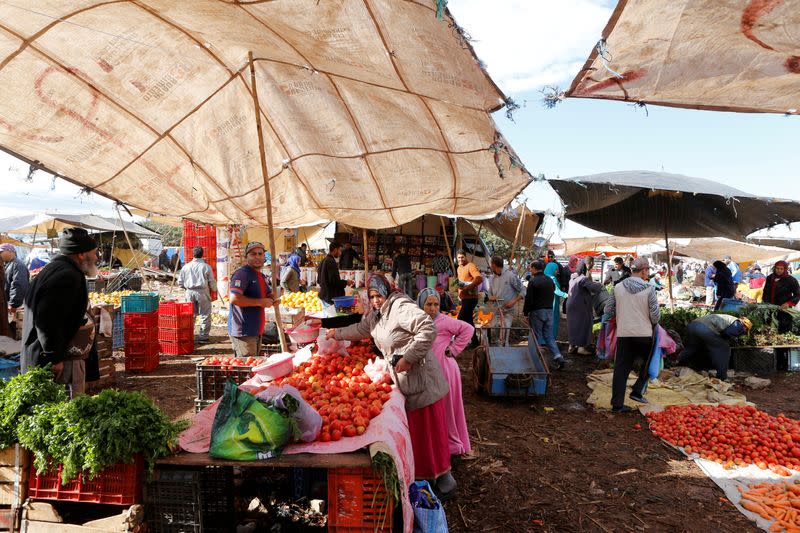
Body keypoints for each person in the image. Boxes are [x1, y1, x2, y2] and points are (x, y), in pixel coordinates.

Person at [329, 276, 455, 496]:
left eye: (379, 295)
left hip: (422, 377)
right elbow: (361, 329)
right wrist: (335, 333)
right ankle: (421, 476)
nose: (376, 300)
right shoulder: (377, 315)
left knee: (430, 431)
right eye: (372, 297)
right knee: (417, 433)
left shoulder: (400, 307)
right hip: (405, 379)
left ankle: (444, 477)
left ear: (387, 292)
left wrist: (408, 357)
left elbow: (428, 329)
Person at [21, 228, 99, 396]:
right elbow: (46, 320)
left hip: (43, 354)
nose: (97, 258)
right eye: (94, 253)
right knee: (63, 412)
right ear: (81, 254)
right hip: (53, 360)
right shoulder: (68, 275)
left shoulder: (54, 268)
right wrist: (54, 357)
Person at [417, 287, 473, 457]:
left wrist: (453, 349)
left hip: (446, 371)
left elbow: (468, 329)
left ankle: (453, 445)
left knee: (448, 407)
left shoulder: (444, 320)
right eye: (428, 304)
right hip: (430, 371)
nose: (433, 308)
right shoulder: (418, 320)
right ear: (421, 304)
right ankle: (438, 442)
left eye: (436, 304)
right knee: (435, 408)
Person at [605, 257, 660, 413]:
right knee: (649, 363)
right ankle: (637, 391)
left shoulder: (617, 287)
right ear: (643, 271)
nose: (647, 273)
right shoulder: (650, 289)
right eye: (647, 270)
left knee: (621, 369)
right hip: (644, 334)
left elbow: (607, 311)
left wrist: (623, 313)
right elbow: (655, 317)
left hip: (624, 334)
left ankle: (617, 404)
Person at [229, 242, 273, 357]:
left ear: (264, 256)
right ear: (246, 257)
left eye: (260, 254)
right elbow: (234, 298)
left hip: (256, 329)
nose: (257, 257)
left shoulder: (260, 275)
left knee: (254, 365)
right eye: (253, 254)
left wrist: (273, 298)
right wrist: (259, 302)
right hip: (244, 331)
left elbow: (267, 294)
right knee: (247, 368)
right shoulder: (242, 274)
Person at [677, 314, 752, 381]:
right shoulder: (738, 323)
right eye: (746, 329)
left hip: (692, 326)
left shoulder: (729, 318)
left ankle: (676, 362)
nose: (744, 331)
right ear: (744, 325)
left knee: (692, 347)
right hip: (704, 328)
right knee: (724, 349)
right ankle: (722, 376)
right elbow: (727, 333)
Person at [524, 260, 564, 369]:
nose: (530, 270)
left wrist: (526, 313)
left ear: (534, 268)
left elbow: (529, 299)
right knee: (549, 336)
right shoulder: (549, 280)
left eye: (531, 268)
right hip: (549, 311)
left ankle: (536, 361)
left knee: (536, 337)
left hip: (537, 312)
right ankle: (558, 356)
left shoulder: (533, 281)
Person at [178, 246, 217, 343]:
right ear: (202, 254)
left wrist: (186, 288)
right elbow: (212, 282)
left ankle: (189, 334)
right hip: (202, 292)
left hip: (189, 292)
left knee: (190, 315)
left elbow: (180, 282)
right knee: (205, 314)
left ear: (193, 254)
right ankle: (203, 336)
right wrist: (214, 290)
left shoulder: (185, 267)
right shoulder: (206, 267)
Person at [486, 255, 524, 346]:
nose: (491, 267)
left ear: (494, 265)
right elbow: (489, 294)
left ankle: (504, 349)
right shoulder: (491, 278)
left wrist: (514, 301)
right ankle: (494, 351)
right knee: (494, 329)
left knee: (505, 330)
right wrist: (491, 297)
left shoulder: (511, 276)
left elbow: (523, 290)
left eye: (491, 265)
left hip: (508, 311)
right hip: (496, 310)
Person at [566, 260, 603, 354]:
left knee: (573, 326)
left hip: (570, 305)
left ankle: (572, 346)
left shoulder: (573, 278)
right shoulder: (583, 279)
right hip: (581, 306)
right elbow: (593, 288)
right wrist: (600, 285)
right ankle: (581, 348)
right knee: (583, 325)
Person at [455, 249, 483, 347]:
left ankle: (458, 343)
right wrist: (459, 293)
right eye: (459, 257)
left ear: (465, 257)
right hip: (464, 298)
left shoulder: (470, 266)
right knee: (469, 320)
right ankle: (475, 342)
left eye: (462, 257)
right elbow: (461, 282)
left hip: (471, 298)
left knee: (460, 319)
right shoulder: (459, 268)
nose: (461, 259)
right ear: (456, 258)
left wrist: (467, 288)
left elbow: (479, 279)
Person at [317, 242, 351, 306]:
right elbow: (334, 281)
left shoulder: (324, 260)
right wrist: (346, 282)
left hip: (324, 296)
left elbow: (318, 280)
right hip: (330, 298)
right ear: (335, 250)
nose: (340, 253)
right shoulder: (330, 262)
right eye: (340, 250)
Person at [1, 244, 30, 317]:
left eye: (1, 252)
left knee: (13, 325)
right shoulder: (9, 264)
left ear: (10, 251)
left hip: (15, 305)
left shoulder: (17, 265)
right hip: (9, 303)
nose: (0, 254)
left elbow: (18, 285)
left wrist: (13, 304)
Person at [543, 261, 567, 339]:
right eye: (556, 269)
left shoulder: (544, 277)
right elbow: (556, 291)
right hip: (552, 302)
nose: (558, 272)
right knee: (551, 321)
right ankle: (550, 339)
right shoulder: (552, 279)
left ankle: (544, 340)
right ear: (552, 269)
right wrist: (567, 295)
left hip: (546, 302)